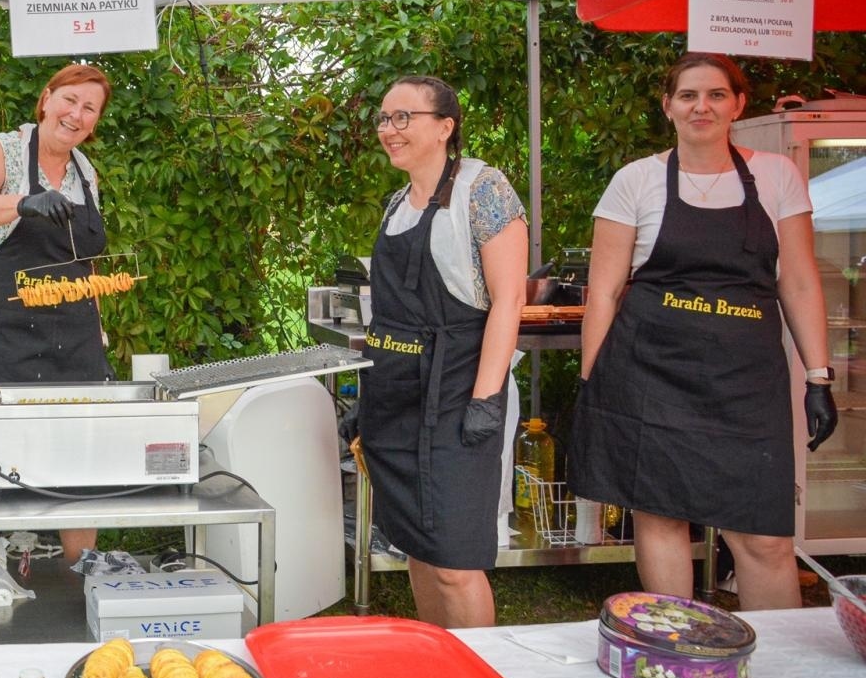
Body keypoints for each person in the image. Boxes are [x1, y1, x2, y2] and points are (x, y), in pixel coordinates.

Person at [568, 52, 836, 609]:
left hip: (744, 383)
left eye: (716, 94)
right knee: (661, 516)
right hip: (649, 374)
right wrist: (595, 382)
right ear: (668, 107)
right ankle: (678, 649)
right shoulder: (635, 181)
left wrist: (818, 376)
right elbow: (606, 292)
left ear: (738, 104)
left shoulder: (776, 175)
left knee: (763, 536)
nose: (702, 106)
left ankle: (780, 673)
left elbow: (802, 283)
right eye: (688, 95)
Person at [357, 75, 528, 628]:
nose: (390, 129)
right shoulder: (396, 204)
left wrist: (485, 399)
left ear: (445, 127)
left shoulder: (484, 189)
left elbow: (510, 301)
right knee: (417, 545)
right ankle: (440, 663)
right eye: (384, 119)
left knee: (455, 558)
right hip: (397, 399)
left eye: (404, 117)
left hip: (458, 392)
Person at [0, 64, 115, 563]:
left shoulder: (85, 171)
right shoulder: (5, 148)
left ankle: (79, 571)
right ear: (46, 99)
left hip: (74, 334)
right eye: (69, 100)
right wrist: (23, 203)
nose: (76, 114)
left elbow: (84, 260)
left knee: (78, 453)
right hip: (0, 331)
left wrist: (99, 325)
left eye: (89, 108)